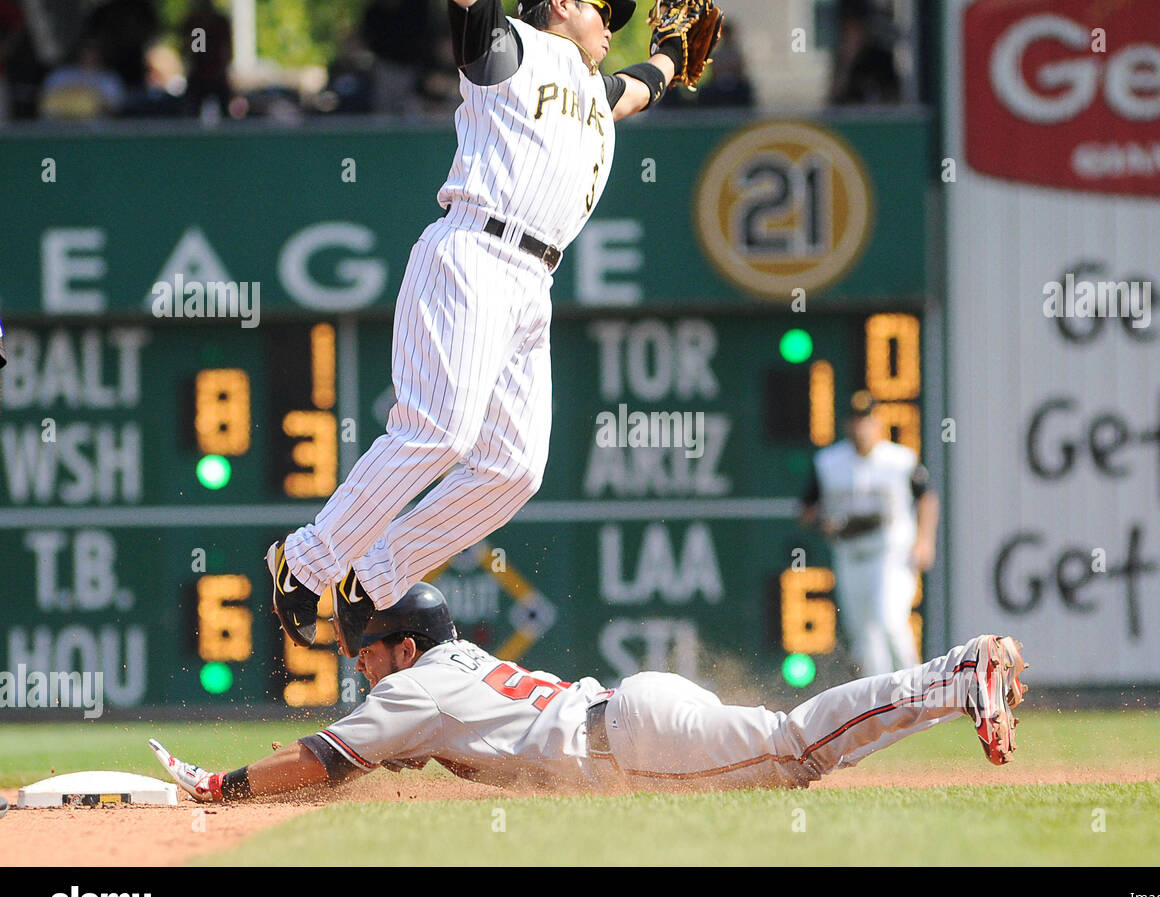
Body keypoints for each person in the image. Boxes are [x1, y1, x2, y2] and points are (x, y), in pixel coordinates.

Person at [267, 0, 691, 657]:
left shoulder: (590, 87)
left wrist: (671, 54)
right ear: (558, 5)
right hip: (475, 250)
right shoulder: (508, 47)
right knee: (439, 429)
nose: (614, 21)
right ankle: (305, 560)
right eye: (604, 8)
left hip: (533, 281)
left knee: (514, 469)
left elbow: (634, 92)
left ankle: (372, 578)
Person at [150, 583, 1027, 802]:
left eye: (368, 650)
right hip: (630, 720)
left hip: (634, 743)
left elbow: (325, 757)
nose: (361, 666)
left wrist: (224, 785)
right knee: (788, 749)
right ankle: (951, 680)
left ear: (404, 645)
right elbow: (342, 761)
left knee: (794, 747)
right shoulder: (450, 668)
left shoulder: (415, 684)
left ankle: (952, 676)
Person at [801, 390, 939, 676]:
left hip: (890, 554)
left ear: (878, 423)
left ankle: (918, 694)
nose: (861, 427)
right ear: (846, 425)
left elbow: (927, 497)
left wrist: (925, 540)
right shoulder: (828, 462)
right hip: (849, 554)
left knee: (889, 622)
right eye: (855, 420)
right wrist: (823, 524)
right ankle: (880, 711)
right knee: (864, 638)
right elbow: (806, 509)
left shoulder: (900, 460)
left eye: (866, 420)